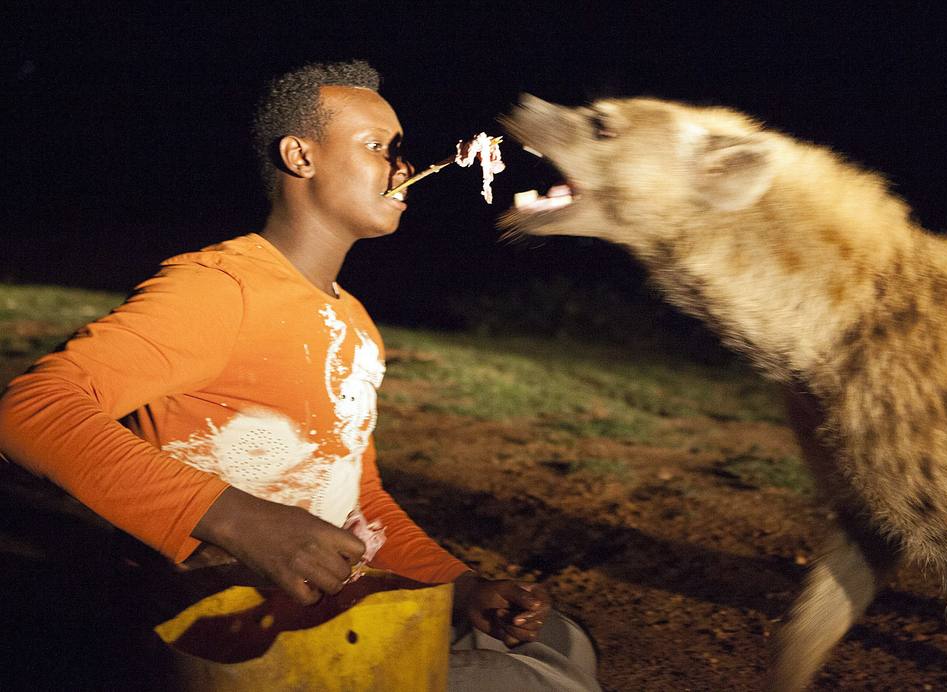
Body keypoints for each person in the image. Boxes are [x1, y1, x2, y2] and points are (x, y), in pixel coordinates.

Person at [0, 61, 600, 691]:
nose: (401, 168)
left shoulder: (356, 324)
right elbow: (30, 412)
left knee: (563, 640)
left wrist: (460, 584)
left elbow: (355, 502)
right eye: (377, 147)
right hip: (230, 630)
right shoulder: (221, 288)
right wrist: (235, 519)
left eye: (400, 152)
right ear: (300, 156)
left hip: (334, 612)